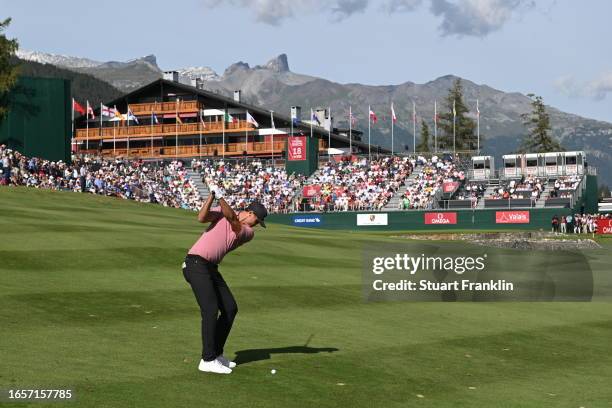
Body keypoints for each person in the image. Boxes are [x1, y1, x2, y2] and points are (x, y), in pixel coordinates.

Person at [182, 190, 268, 374]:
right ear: (250, 213)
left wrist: (221, 196)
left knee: (230, 308)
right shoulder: (224, 212)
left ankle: (216, 354)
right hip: (195, 264)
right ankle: (207, 359)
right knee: (211, 309)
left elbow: (233, 221)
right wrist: (212, 196)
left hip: (210, 268)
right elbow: (201, 217)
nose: (257, 225)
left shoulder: (248, 232)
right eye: (258, 221)